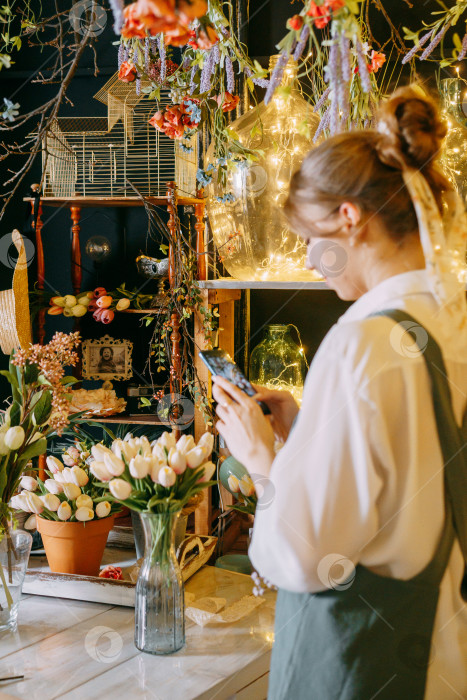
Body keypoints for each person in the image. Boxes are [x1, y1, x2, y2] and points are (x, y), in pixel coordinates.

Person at [213, 86, 467, 700]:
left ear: (348, 218)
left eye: (307, 235)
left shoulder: (362, 345)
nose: (307, 257)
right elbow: (412, 478)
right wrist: (305, 432)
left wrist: (261, 456)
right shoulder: (450, 324)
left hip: (366, 670)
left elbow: (304, 558)